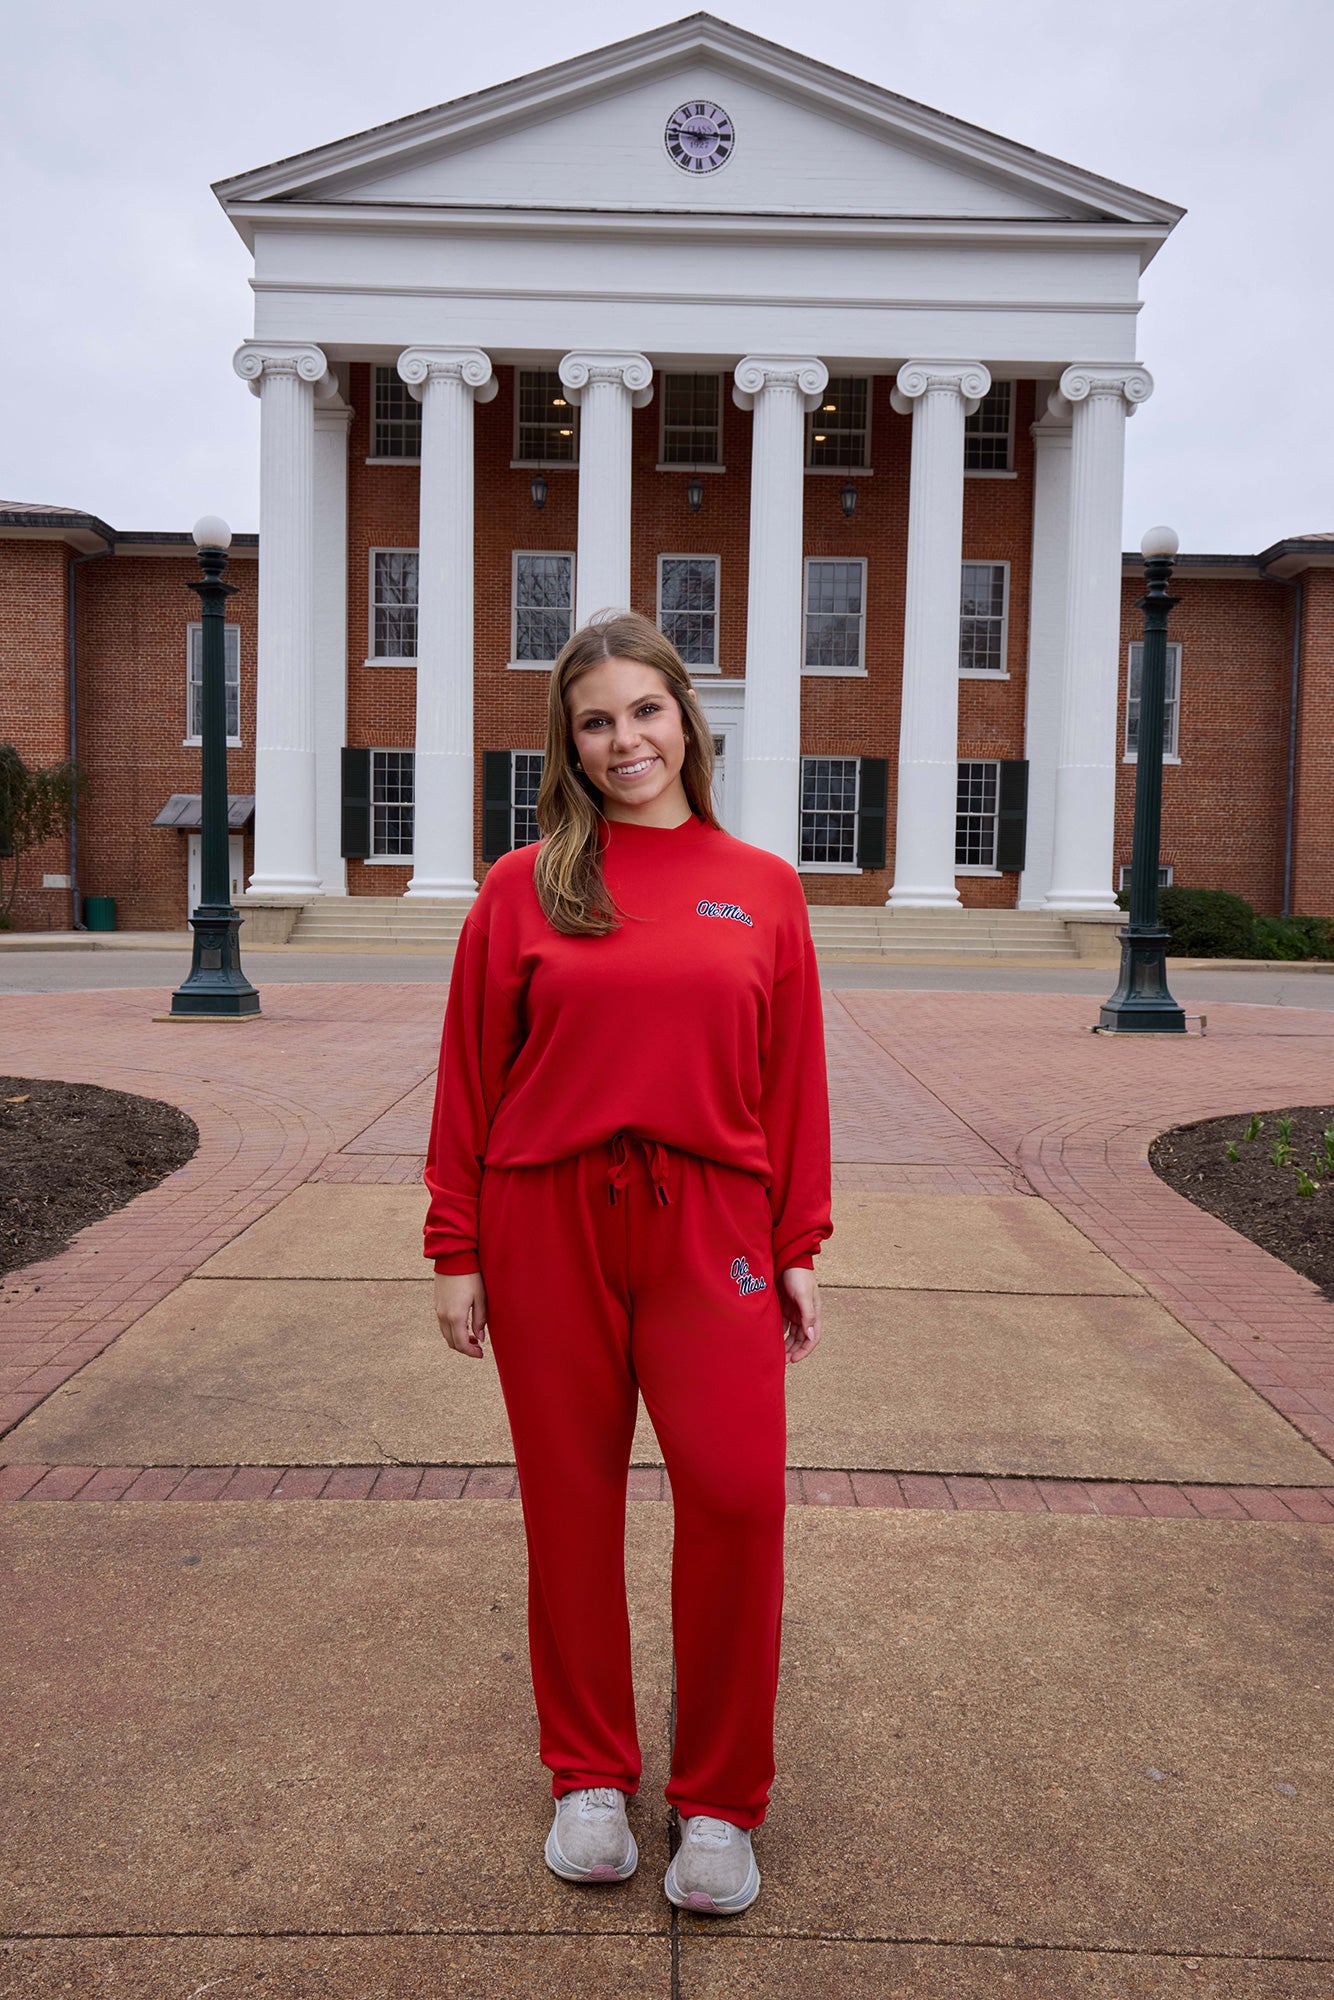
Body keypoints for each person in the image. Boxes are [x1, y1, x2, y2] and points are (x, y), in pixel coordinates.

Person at [423, 608, 833, 1917]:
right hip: (545, 1217)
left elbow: (793, 1080)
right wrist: (454, 1246)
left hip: (709, 1221)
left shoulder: (761, 886)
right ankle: (590, 1777)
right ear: (570, 743)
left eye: (643, 711)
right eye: (595, 721)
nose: (623, 740)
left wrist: (798, 1240)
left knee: (736, 1498)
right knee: (568, 1502)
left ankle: (719, 1801)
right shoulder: (522, 887)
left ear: (684, 721)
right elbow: (469, 1078)